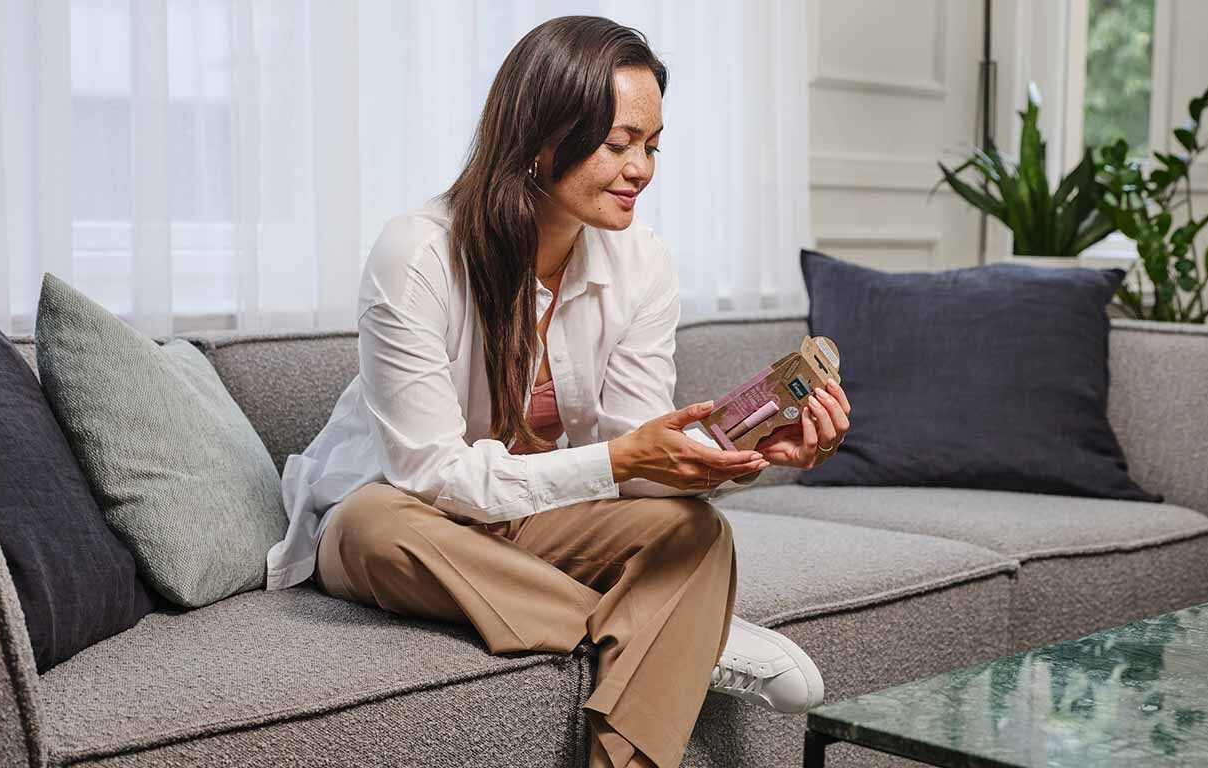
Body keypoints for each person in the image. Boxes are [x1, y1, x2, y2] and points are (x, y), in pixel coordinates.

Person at [265, 15, 852, 768]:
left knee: (693, 535)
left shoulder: (642, 264)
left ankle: (660, 664)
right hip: (408, 515)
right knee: (377, 522)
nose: (641, 168)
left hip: (532, 521)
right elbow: (430, 476)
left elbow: (643, 465)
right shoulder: (415, 255)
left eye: (652, 146)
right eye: (617, 144)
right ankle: (677, 631)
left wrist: (753, 454)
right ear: (540, 138)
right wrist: (614, 462)